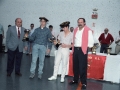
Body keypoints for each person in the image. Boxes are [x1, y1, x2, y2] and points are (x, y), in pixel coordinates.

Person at [69, 18, 94, 90]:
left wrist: (87, 47)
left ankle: (84, 82)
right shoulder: (75, 29)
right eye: (78, 22)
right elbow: (73, 39)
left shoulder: (88, 30)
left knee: (82, 67)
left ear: (84, 23)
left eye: (81, 22)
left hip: (82, 50)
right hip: (75, 50)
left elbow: (91, 41)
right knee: (75, 66)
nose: (80, 23)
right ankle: (75, 80)